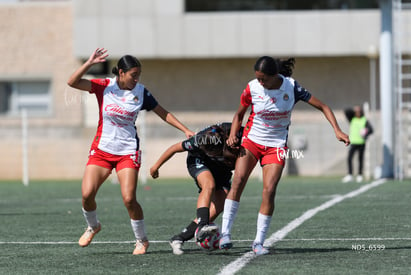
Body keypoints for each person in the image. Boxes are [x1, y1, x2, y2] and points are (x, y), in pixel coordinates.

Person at [67, 48, 194, 255]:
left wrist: (185, 130)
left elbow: (163, 113)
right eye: (133, 75)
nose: (137, 79)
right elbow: (72, 82)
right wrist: (89, 63)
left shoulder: (141, 92)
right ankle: (93, 226)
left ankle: (141, 240)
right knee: (87, 194)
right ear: (121, 73)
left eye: (139, 75)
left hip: (127, 151)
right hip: (102, 150)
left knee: (128, 198)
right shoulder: (104, 87)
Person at [219, 56, 350, 255]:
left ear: (275, 76)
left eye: (264, 79)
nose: (260, 82)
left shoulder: (292, 87)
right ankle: (225, 234)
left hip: (276, 145)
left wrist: (337, 130)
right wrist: (231, 136)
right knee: (238, 180)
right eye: (258, 78)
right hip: (252, 140)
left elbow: (323, 106)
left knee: (269, 190)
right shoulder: (252, 88)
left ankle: (258, 243)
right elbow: (239, 115)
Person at [150, 122, 243, 255]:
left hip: (222, 167)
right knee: (208, 185)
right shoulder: (199, 140)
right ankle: (203, 225)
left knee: (221, 203)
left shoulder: (239, 134)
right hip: (198, 161)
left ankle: (179, 238)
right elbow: (174, 148)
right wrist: (156, 167)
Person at [342, 105, 374, 183]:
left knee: (360, 159)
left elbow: (371, 130)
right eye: (356, 111)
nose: (358, 113)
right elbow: (346, 111)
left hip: (361, 142)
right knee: (349, 158)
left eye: (359, 111)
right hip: (353, 142)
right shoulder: (352, 119)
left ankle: (359, 175)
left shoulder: (364, 120)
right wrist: (354, 109)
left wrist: (366, 132)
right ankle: (350, 175)